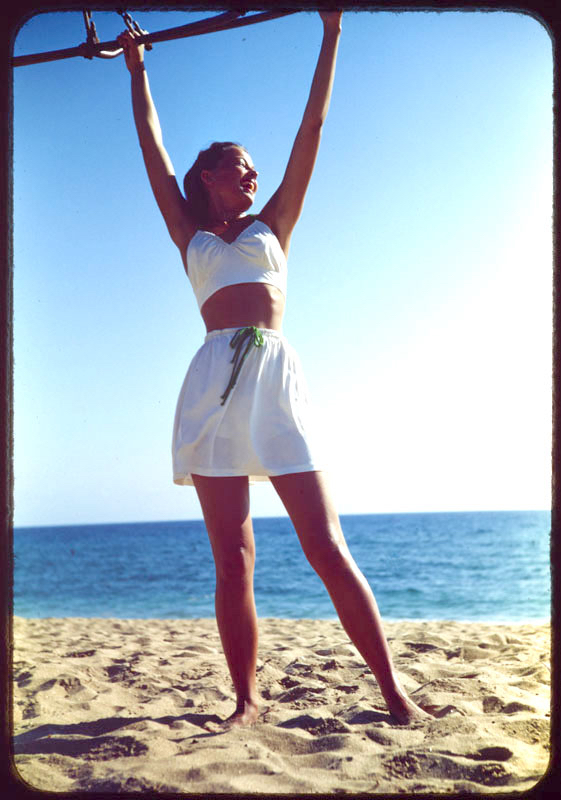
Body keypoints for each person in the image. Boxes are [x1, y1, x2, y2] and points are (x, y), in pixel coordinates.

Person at [118, 12, 429, 728]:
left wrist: (331, 32)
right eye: (237, 163)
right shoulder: (188, 231)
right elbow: (151, 146)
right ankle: (247, 702)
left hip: (275, 380)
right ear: (206, 176)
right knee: (233, 557)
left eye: (254, 165)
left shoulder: (273, 225)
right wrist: (137, 73)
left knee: (324, 544)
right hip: (210, 389)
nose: (252, 172)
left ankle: (393, 693)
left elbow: (310, 132)